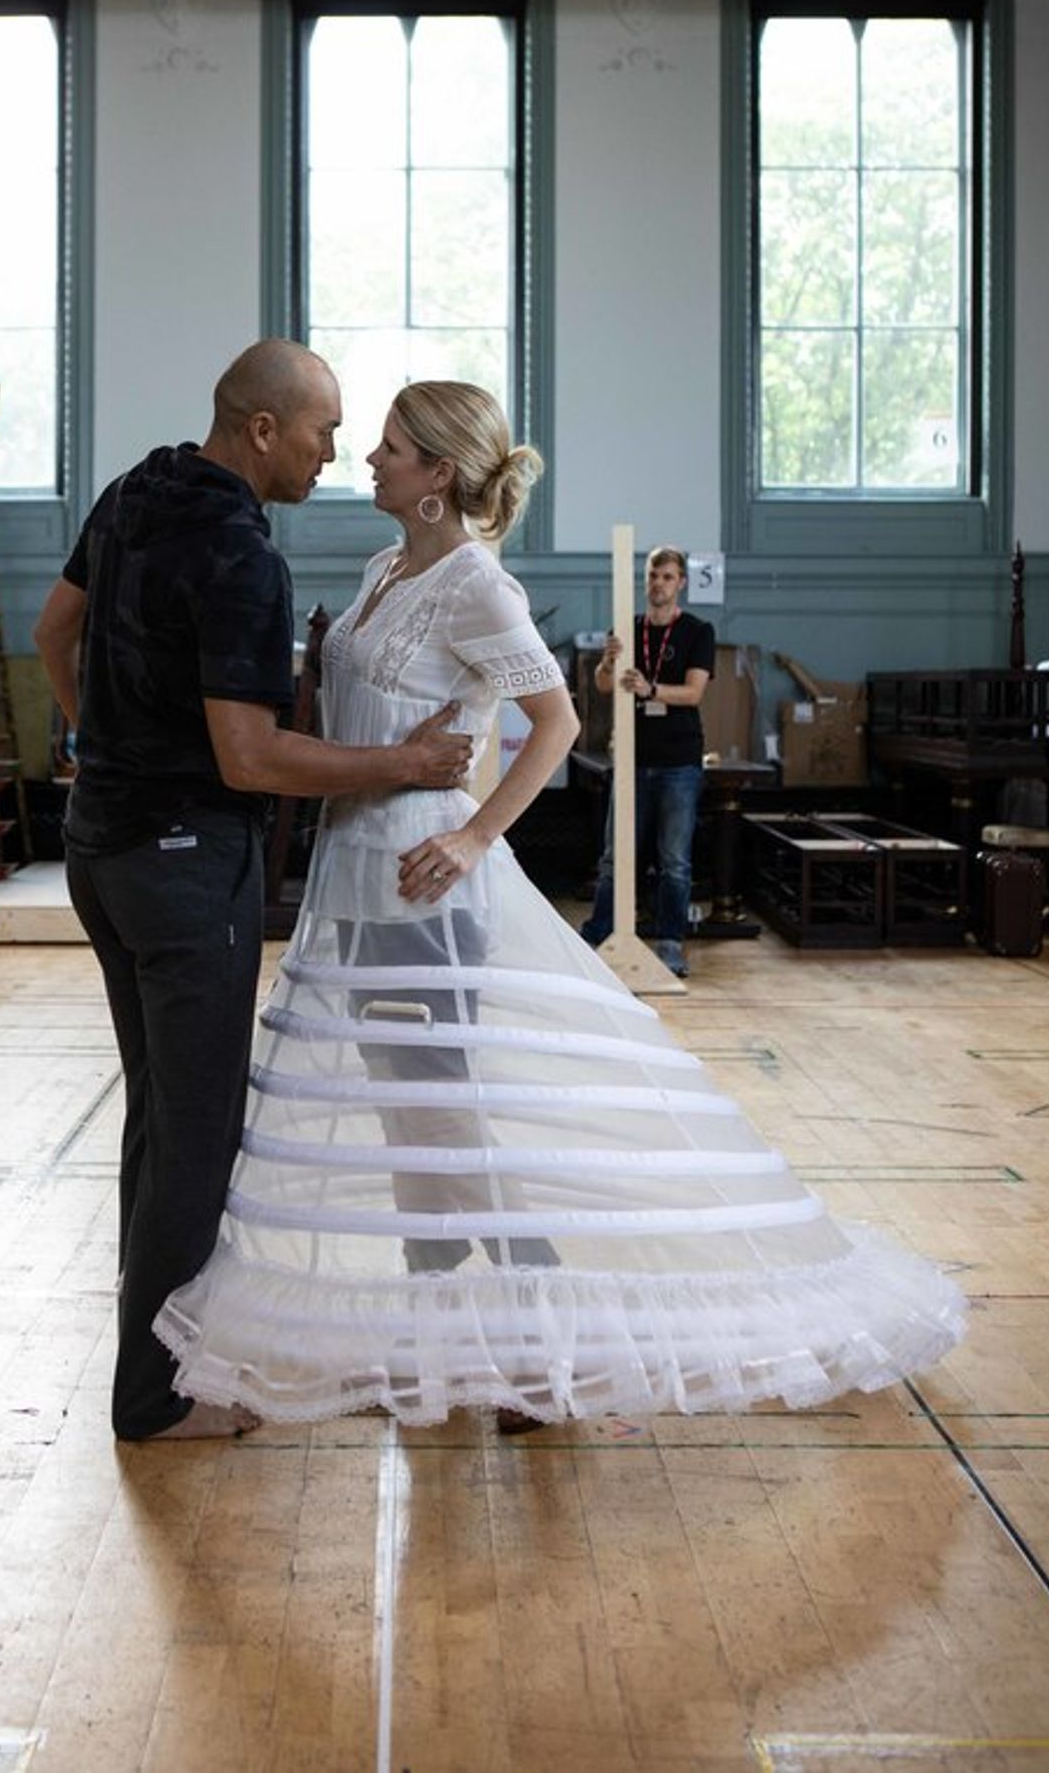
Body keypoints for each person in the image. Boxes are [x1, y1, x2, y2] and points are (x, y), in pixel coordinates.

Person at [155, 384, 965, 1431]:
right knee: (410, 1130)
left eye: (391, 449)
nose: (369, 461)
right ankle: (444, 1340)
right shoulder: (378, 569)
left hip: (425, 883)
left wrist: (471, 833)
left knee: (454, 1122)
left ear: (437, 475)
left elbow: (554, 720)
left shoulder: (474, 586)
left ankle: (539, 1355)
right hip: (350, 878)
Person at [33, 340, 473, 1443]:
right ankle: (155, 1396)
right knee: (196, 1137)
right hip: (183, 868)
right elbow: (251, 759)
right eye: (325, 429)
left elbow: (53, 633)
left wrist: (104, 743)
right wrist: (401, 768)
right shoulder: (240, 552)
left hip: (99, 850)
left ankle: (162, 1362)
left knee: (158, 1119)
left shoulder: (136, 487)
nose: (338, 451)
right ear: (263, 429)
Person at [579, 546, 714, 976]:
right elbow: (603, 685)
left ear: (681, 584)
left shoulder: (697, 631)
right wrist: (606, 660)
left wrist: (650, 690)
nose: (659, 584)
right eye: (654, 576)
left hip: (679, 762)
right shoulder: (628, 627)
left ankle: (671, 942)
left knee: (674, 859)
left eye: (668, 577)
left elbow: (693, 694)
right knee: (614, 855)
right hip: (633, 760)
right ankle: (599, 934)